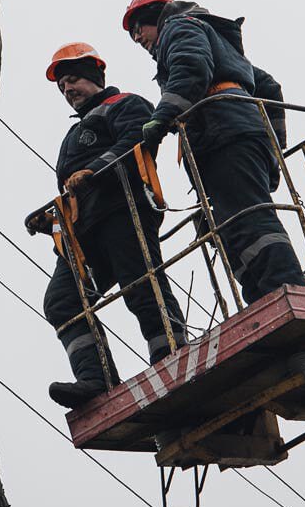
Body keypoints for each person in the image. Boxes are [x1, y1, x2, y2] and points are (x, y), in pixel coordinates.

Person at [122, 0, 305, 382]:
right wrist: (273, 149)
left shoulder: (179, 28)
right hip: (233, 133)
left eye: (139, 30)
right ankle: (271, 305)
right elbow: (269, 87)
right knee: (236, 229)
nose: (140, 41)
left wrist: (161, 119)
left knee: (252, 225)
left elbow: (189, 70)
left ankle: (289, 302)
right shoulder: (221, 45)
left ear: (156, 17)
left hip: (222, 132)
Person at [30, 42, 187, 409]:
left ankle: (171, 355)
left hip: (123, 209)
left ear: (94, 77)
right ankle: (95, 378)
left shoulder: (125, 104)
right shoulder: (74, 133)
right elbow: (72, 185)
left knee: (141, 284)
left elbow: (138, 142)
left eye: (72, 81)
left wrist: (95, 169)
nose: (68, 91)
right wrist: (48, 216)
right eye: (62, 87)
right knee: (62, 302)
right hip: (82, 231)